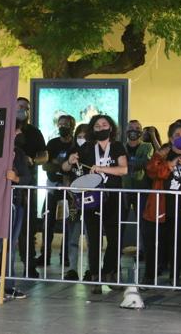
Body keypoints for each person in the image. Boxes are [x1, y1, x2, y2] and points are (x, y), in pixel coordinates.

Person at [62, 115, 127, 294]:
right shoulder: (87, 148)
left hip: (113, 199)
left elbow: (124, 169)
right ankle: (96, 278)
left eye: (105, 124)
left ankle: (109, 272)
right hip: (92, 200)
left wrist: (102, 169)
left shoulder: (117, 146)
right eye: (97, 126)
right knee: (94, 239)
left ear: (111, 128)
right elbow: (65, 168)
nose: (101, 128)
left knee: (115, 239)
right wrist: (70, 160)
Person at [143, 122, 181, 285]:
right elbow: (152, 172)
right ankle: (149, 277)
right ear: (170, 138)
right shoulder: (162, 155)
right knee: (156, 243)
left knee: (179, 243)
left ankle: (175, 277)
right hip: (161, 206)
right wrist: (169, 165)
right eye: (177, 135)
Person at [0, 134, 32, 300]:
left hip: (16, 202)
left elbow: (28, 177)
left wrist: (16, 178)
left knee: (10, 246)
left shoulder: (18, 153)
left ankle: (8, 285)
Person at [15, 97, 47, 278]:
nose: (23, 111)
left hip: (27, 184)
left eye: (26, 108)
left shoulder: (34, 132)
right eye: (19, 107)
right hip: (6, 184)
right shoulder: (4, 128)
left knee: (27, 227)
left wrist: (33, 160)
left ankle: (29, 264)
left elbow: (44, 154)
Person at [37, 115, 76, 266]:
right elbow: (45, 165)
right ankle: (44, 255)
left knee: (68, 223)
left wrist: (57, 163)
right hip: (53, 187)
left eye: (65, 124)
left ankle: (65, 256)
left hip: (70, 189)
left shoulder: (74, 145)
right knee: (48, 222)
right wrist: (63, 166)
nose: (62, 127)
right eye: (60, 124)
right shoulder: (52, 143)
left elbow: (74, 167)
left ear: (72, 126)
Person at [122, 120, 153, 260]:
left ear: (141, 131)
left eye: (137, 128)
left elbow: (146, 163)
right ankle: (117, 249)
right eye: (131, 128)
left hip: (142, 189)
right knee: (120, 221)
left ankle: (142, 250)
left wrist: (126, 164)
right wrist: (134, 164)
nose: (134, 131)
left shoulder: (148, 146)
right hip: (123, 189)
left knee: (143, 222)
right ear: (126, 131)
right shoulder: (121, 147)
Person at [63, 124, 89, 281]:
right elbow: (65, 169)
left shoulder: (93, 151)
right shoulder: (72, 150)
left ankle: (91, 269)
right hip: (74, 199)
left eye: (85, 136)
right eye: (79, 136)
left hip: (91, 199)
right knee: (73, 235)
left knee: (91, 236)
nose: (81, 139)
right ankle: (72, 268)